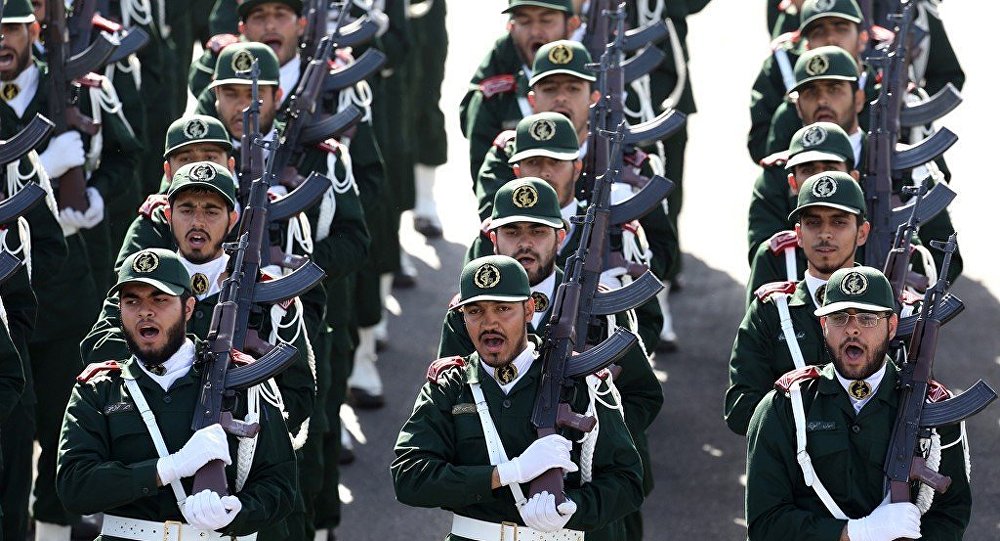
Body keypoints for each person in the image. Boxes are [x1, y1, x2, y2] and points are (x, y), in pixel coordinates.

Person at [440, 177, 663, 538]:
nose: (525, 243)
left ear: (561, 236)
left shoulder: (598, 307)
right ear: (493, 238)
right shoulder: (465, 314)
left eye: (538, 232)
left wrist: (591, 434)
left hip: (585, 503)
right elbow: (454, 405)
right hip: (498, 509)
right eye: (512, 231)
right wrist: (514, 466)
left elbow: (644, 395)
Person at [393, 254, 643, 540]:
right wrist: (508, 473)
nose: (489, 323)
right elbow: (409, 477)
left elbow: (627, 481)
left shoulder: (582, 383)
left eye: (503, 309)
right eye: (475, 311)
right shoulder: (449, 387)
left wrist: (575, 507)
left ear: (529, 309)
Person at [57, 248, 298, 541]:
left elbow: (280, 483)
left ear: (188, 308)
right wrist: (167, 468)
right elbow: (74, 486)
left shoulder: (240, 379)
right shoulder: (98, 390)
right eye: (132, 301)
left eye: (160, 299)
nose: (145, 311)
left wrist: (238, 512)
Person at [744, 265, 972, 539]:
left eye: (867, 318)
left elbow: (950, 513)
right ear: (824, 327)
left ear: (891, 327)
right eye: (839, 318)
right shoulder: (783, 408)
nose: (852, 330)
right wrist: (854, 533)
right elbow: (765, 523)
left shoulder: (931, 409)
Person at [751, 46, 962, 283]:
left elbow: (943, 256)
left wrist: (905, 292)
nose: (822, 100)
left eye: (834, 90)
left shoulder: (905, 165)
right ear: (798, 106)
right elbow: (768, 263)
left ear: (859, 99)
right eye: (811, 92)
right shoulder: (777, 173)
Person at [727, 171, 869, 436]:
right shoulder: (769, 311)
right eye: (813, 223)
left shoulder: (887, 309)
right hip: (793, 458)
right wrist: (812, 420)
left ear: (862, 233)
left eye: (839, 222)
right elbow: (740, 409)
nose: (825, 233)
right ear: (799, 234)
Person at [459, 0, 580, 181]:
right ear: (511, 27)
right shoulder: (497, 78)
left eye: (546, 21)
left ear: (571, 25)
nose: (535, 32)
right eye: (525, 21)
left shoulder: (597, 62)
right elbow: (486, 178)